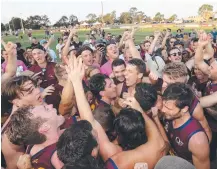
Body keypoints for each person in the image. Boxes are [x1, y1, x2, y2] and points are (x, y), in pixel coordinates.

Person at [65, 55, 168, 169]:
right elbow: (162, 143)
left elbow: (90, 122)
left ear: (117, 133)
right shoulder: (151, 150)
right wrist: (143, 113)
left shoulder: (115, 156)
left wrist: (76, 82)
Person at [162, 83, 210, 169]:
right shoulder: (170, 116)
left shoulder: (197, 140)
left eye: (168, 108)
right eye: (163, 105)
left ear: (184, 109)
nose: (163, 110)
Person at [162, 62, 212, 141]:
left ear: (180, 85)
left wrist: (204, 150)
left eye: (168, 84)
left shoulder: (194, 107)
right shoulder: (164, 91)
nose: (163, 85)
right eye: (163, 80)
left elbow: (206, 130)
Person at [6, 104, 65, 169]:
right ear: (45, 127)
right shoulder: (57, 156)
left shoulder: (31, 146)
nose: (51, 105)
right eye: (47, 109)